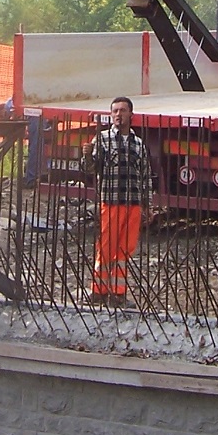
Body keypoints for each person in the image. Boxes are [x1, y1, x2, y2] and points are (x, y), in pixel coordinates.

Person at [89, 95, 152, 302]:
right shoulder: (102, 139)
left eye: (122, 111)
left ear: (130, 115)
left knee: (125, 250)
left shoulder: (138, 143)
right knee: (106, 247)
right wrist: (87, 155)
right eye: (115, 111)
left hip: (133, 203)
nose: (118, 115)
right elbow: (90, 169)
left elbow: (145, 175)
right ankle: (99, 292)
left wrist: (147, 204)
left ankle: (117, 293)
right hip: (111, 201)